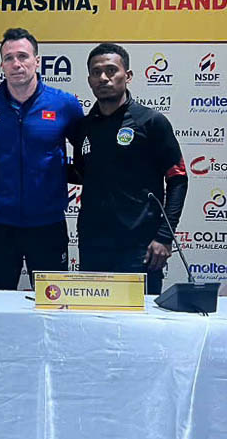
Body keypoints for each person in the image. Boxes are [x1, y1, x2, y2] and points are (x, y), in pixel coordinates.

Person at [71, 43, 188, 295]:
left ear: (128, 76)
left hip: (140, 247)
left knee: (142, 328)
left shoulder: (151, 122)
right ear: (89, 80)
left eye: (111, 70)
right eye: (96, 72)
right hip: (93, 245)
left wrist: (164, 236)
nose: (103, 77)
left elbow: (178, 179)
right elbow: (82, 173)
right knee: (93, 323)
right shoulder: (83, 127)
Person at [0, 28, 84, 290]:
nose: (16, 64)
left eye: (23, 56)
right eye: (9, 58)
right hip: (0, 224)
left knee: (52, 306)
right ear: (2, 64)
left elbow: (87, 151)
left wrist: (62, 172)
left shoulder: (65, 104)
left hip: (47, 224)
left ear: (37, 61)